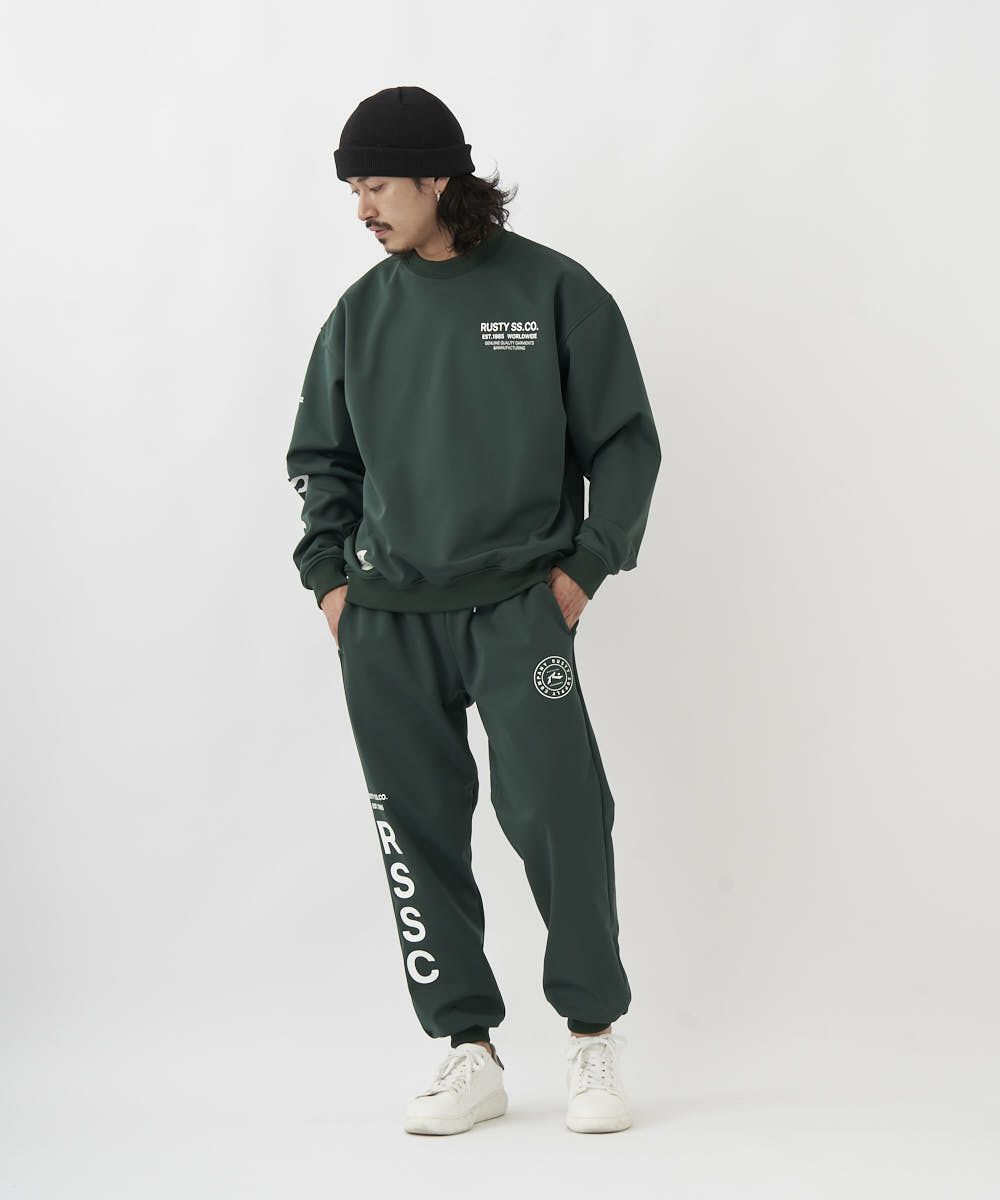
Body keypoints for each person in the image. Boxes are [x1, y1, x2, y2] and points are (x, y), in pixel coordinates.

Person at [286, 85, 661, 1136]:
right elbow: (321, 460)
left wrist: (584, 568)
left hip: (516, 609)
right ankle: (467, 1049)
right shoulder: (360, 314)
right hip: (388, 618)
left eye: (377, 185)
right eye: (353, 189)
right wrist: (330, 581)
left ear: (437, 178)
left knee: (560, 814)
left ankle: (592, 1037)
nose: (363, 207)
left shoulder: (551, 292)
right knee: (415, 830)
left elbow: (624, 442)